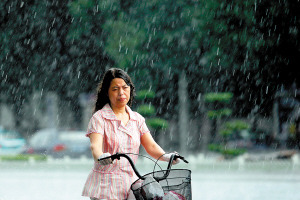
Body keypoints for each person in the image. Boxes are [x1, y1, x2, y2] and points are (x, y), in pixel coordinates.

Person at [82, 68, 179, 200]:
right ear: (107, 92)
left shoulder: (137, 119)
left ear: (130, 89)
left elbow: (150, 146)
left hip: (131, 183)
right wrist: (101, 156)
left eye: (125, 88)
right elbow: (95, 147)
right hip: (106, 184)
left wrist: (167, 157)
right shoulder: (99, 118)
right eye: (115, 89)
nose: (121, 93)